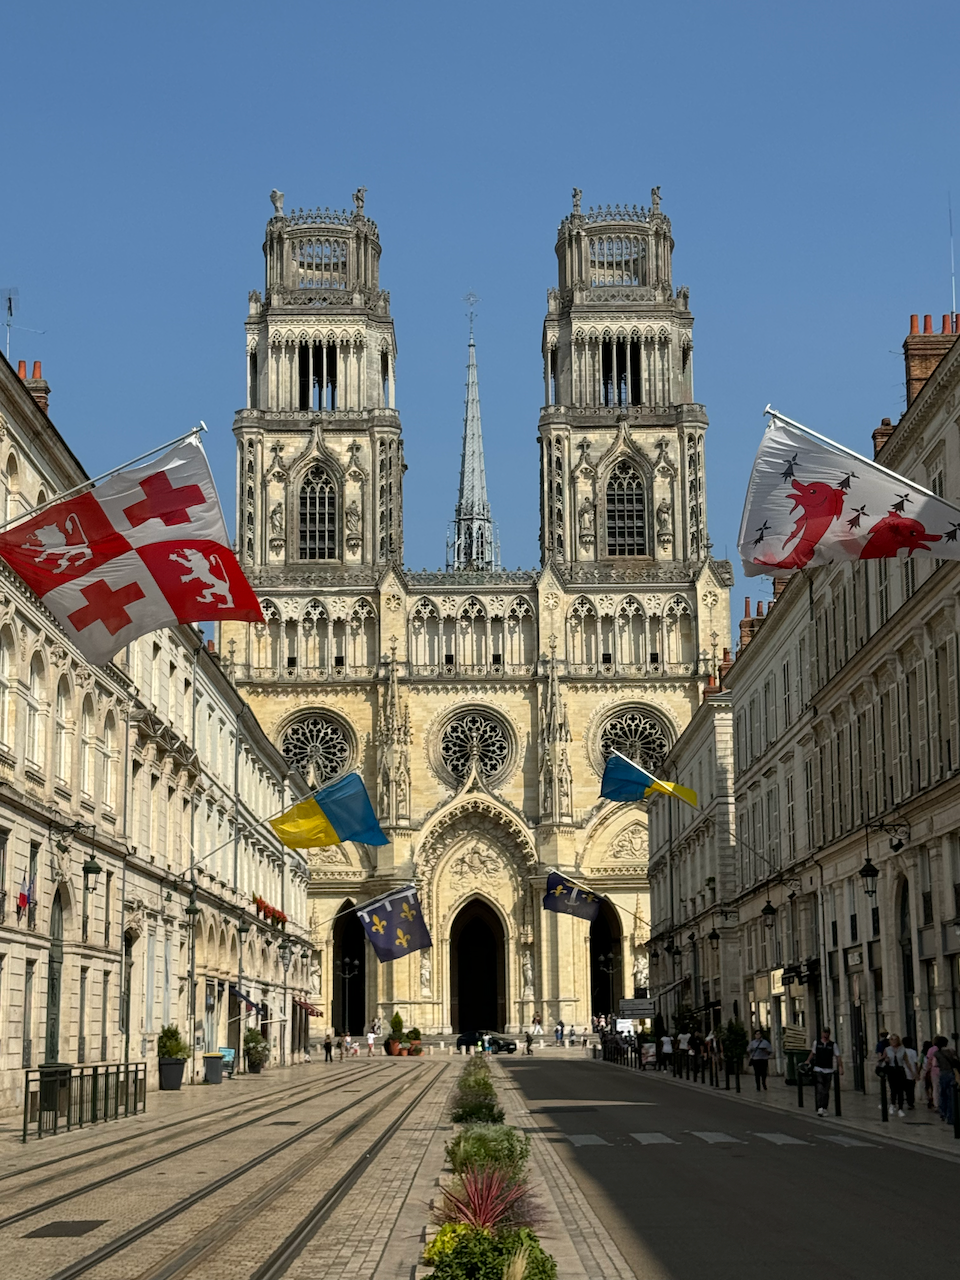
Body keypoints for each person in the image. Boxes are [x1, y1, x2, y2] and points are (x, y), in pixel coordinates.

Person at [806, 1027, 842, 1116]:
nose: (826, 1034)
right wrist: (807, 1061)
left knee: (826, 1090)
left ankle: (824, 1107)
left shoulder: (833, 1045)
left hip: (828, 1070)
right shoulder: (816, 1043)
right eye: (824, 1032)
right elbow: (813, 1053)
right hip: (818, 1069)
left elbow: (838, 1056)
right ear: (822, 1033)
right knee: (820, 1089)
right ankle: (820, 1107)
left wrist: (840, 1066)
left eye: (827, 1033)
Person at [934, 1036, 960, 1124]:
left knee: (943, 1094)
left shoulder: (937, 1053)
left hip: (943, 1074)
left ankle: (943, 1113)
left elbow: (935, 1064)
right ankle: (951, 1115)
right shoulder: (952, 1051)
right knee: (951, 1095)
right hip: (952, 1073)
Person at [882, 1034, 908, 1116]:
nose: (893, 1041)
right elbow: (882, 1059)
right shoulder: (887, 1049)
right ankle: (892, 1104)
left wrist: (913, 1072)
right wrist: (885, 1060)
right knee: (893, 1088)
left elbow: (906, 1061)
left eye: (895, 1039)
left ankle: (900, 1108)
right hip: (891, 1070)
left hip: (900, 1070)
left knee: (900, 1089)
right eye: (892, 1039)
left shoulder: (902, 1049)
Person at [901, 1035, 919, 1110]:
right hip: (911, 1073)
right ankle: (910, 1103)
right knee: (911, 1089)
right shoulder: (913, 1052)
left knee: (904, 1088)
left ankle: (904, 1102)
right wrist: (917, 1072)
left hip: (903, 1072)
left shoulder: (901, 1052)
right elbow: (915, 1063)